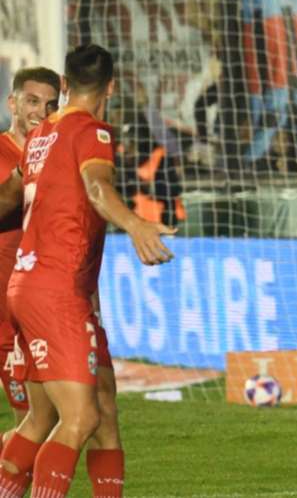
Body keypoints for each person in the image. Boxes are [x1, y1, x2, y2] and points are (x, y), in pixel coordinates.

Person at [0, 44, 176, 498]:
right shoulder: (92, 132)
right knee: (80, 418)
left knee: (82, 413)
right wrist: (136, 225)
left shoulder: (40, 136)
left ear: (64, 85)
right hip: (56, 289)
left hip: (40, 287)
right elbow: (97, 187)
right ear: (110, 87)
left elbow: (8, 197)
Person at [0, 68, 60, 439]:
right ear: (13, 103)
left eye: (51, 104)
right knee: (34, 422)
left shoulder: (57, 156)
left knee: (49, 418)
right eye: (32, 101)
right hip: (5, 314)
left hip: (40, 305)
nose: (41, 111)